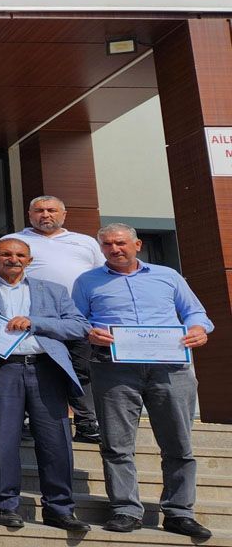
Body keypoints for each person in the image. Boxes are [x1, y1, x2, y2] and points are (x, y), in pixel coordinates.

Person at [73, 223, 214, 539]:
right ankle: (126, 510)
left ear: (137, 245)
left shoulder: (168, 276)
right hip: (113, 368)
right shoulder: (87, 281)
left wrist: (198, 330)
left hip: (170, 367)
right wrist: (89, 331)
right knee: (116, 444)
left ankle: (179, 513)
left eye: (121, 243)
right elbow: (75, 319)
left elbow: (196, 314)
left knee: (178, 443)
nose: (114, 249)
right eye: (107, 244)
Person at [0, 238, 91, 532]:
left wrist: (34, 322)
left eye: (20, 255)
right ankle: (5, 505)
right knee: (3, 440)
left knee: (56, 442)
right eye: (6, 254)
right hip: (2, 369)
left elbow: (79, 326)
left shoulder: (53, 290)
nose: (13, 259)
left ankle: (59, 509)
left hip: (46, 369)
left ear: (29, 260)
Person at [4, 195, 105, 444]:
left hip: (76, 319)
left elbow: (101, 277)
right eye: (39, 210)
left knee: (81, 371)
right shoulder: (14, 241)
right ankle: (27, 421)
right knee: (34, 371)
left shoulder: (85, 242)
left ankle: (86, 422)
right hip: (31, 321)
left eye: (51, 210)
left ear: (64, 214)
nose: (45, 215)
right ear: (30, 215)